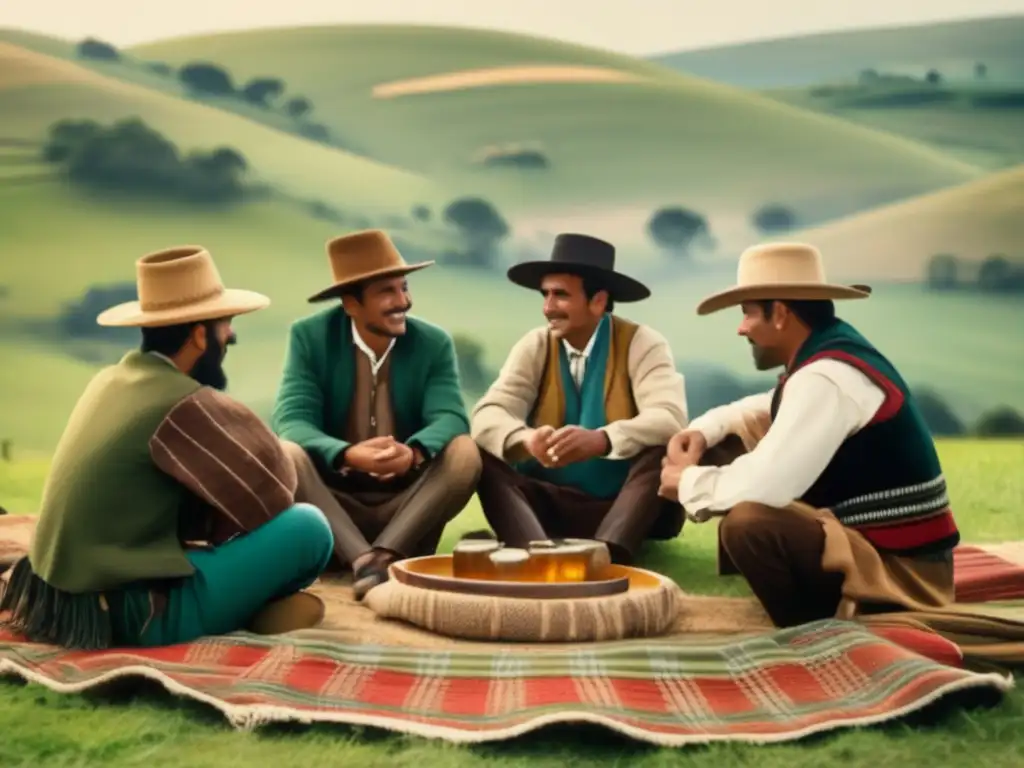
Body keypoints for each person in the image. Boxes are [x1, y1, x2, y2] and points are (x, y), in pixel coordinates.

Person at [0, 246, 335, 650]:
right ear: (198, 334)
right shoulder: (182, 400)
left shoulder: (109, 380)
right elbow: (276, 487)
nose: (230, 335)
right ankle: (252, 608)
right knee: (309, 528)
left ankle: (248, 604)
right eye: (224, 324)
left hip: (58, 602)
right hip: (135, 615)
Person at [659, 242, 960, 628]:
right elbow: (766, 406)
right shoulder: (826, 357)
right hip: (879, 546)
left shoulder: (825, 377)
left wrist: (686, 482)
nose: (741, 328)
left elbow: (768, 485)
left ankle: (808, 631)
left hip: (901, 572)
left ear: (781, 313)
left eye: (748, 313)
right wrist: (704, 430)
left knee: (749, 523)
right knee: (728, 446)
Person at [272, 230, 481, 600]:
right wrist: (347, 454)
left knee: (465, 452)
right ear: (351, 303)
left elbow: (450, 416)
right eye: (388, 291)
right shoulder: (309, 337)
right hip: (335, 505)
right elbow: (292, 420)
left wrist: (412, 454)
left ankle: (385, 554)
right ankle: (363, 560)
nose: (403, 301)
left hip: (408, 508)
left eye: (404, 288)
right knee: (286, 452)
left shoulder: (433, 343)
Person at [470, 233, 689, 563]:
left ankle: (608, 554)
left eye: (560, 295)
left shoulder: (643, 343)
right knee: (479, 454)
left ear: (598, 301)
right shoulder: (535, 344)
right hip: (549, 504)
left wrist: (602, 440)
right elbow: (489, 412)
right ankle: (537, 551)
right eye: (545, 295)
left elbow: (670, 418)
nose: (547, 308)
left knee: (661, 448)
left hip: (627, 506)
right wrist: (527, 440)